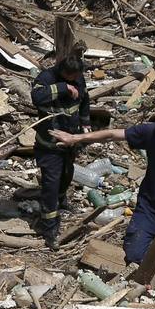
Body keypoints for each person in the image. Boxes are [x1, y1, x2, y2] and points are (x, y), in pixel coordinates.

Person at [52, 71, 155, 276]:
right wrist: (76, 138)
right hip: (149, 209)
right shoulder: (153, 132)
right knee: (133, 256)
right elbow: (114, 134)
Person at [31, 20, 91, 250]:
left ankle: (62, 200)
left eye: (75, 80)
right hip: (50, 145)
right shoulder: (47, 78)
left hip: (71, 141)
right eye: (70, 79)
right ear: (63, 73)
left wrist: (85, 125)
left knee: (68, 175)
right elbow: (37, 98)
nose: (74, 83)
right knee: (50, 184)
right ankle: (49, 228)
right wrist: (63, 89)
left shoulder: (78, 77)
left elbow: (85, 100)